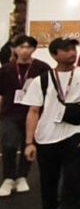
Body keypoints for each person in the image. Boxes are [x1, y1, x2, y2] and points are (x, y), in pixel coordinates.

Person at [22, 37, 80, 209]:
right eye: (66, 49)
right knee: (49, 179)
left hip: (76, 134)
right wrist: (29, 142)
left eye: (73, 48)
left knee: (73, 177)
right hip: (46, 136)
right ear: (54, 54)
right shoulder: (42, 80)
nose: (72, 53)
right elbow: (33, 111)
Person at [0, 34, 47, 197]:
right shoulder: (6, 70)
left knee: (29, 145)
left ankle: (22, 176)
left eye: (28, 47)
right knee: (9, 145)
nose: (24, 50)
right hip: (10, 113)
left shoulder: (42, 68)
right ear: (14, 49)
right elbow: (2, 94)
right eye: (21, 47)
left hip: (34, 112)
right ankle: (8, 178)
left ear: (34, 49)